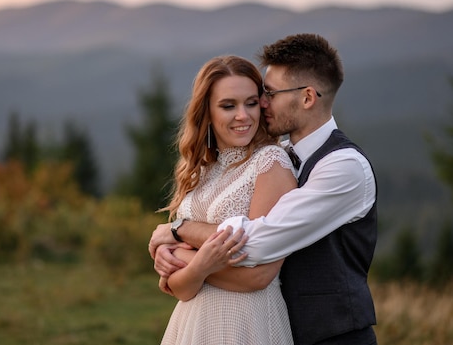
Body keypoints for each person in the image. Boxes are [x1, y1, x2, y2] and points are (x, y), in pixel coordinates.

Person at [149, 34, 378, 345]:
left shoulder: (343, 167)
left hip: (334, 336)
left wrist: (178, 236)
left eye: (267, 94)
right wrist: (183, 257)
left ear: (308, 97)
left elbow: (254, 244)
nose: (261, 105)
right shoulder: (276, 152)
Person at [157, 54, 298, 344]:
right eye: (228, 106)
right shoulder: (198, 169)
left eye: (250, 102)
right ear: (206, 112)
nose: (243, 116)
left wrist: (185, 259)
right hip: (193, 325)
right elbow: (178, 289)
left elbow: (257, 277)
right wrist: (196, 267)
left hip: (248, 322)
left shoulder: (270, 163)